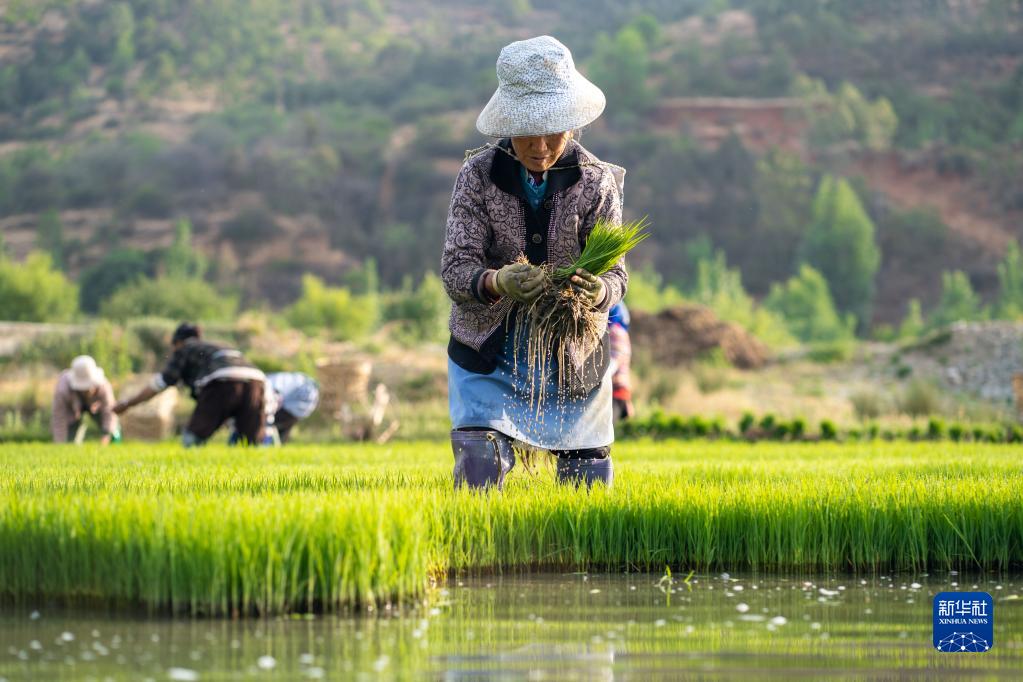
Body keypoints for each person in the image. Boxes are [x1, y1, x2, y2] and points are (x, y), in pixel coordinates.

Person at [442, 35, 628, 490]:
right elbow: (455, 270)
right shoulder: (478, 177)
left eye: (554, 129)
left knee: (587, 474)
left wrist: (598, 291)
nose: (541, 145)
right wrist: (498, 281)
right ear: (509, 124)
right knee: (479, 466)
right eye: (528, 130)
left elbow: (617, 275)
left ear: (573, 123)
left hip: (571, 351)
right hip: (490, 345)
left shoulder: (596, 181)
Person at [114, 322, 266, 446]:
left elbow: (160, 384)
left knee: (192, 439)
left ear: (178, 342)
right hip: (256, 382)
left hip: (222, 382)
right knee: (249, 443)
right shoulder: (220, 345)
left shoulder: (185, 348)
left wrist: (127, 403)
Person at [51, 355, 120, 445]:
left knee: (113, 430)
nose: (88, 390)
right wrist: (59, 443)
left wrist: (106, 435)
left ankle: (114, 441)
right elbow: (59, 418)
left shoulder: (104, 386)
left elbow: (110, 411)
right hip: (72, 409)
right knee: (69, 440)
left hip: (97, 408)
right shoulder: (62, 389)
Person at [266, 372, 320, 443]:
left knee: (271, 426)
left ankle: (268, 443)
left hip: (289, 406)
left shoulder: (270, 381)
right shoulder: (301, 381)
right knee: (281, 431)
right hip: (296, 407)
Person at [608, 301, 635, 421]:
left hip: (615, 392)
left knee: (603, 435)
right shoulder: (621, 333)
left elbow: (616, 361)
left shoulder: (615, 332)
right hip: (619, 391)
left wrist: (600, 379)